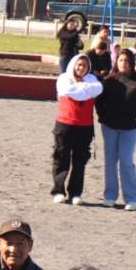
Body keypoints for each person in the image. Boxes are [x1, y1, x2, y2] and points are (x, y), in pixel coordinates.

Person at [95, 48, 136, 210]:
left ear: (132, 62)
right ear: (116, 62)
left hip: (130, 127)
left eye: (126, 60)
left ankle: (132, 198)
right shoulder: (109, 80)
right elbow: (99, 101)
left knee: (126, 160)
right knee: (110, 161)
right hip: (109, 126)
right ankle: (110, 196)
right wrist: (102, 116)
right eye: (120, 60)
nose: (123, 63)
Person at [51, 54, 102, 206]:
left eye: (85, 65)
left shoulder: (92, 79)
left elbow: (98, 89)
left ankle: (75, 193)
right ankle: (59, 191)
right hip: (65, 124)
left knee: (80, 161)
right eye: (79, 65)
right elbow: (69, 91)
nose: (81, 68)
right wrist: (85, 89)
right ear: (73, 65)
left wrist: (81, 88)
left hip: (85, 126)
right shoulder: (64, 78)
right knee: (61, 158)